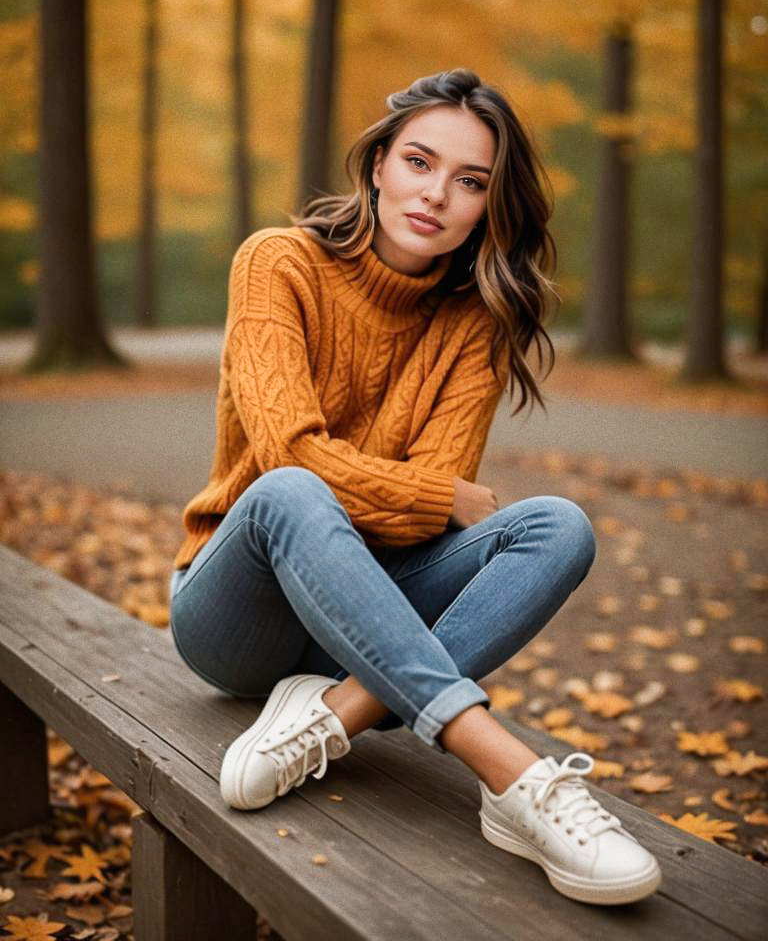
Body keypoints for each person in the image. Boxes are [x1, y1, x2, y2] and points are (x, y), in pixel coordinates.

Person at [168, 68, 661, 905]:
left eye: (470, 182)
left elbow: (407, 528)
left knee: (558, 526)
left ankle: (336, 714)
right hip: (236, 612)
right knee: (290, 491)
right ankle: (512, 776)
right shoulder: (277, 263)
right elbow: (294, 456)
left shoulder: (476, 321)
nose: (437, 194)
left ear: (489, 207)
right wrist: (441, 500)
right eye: (420, 162)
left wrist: (428, 504)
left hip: (362, 617)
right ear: (377, 166)